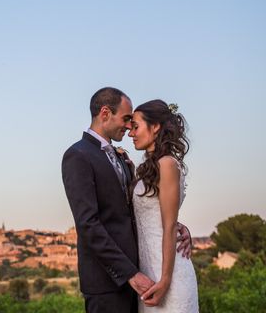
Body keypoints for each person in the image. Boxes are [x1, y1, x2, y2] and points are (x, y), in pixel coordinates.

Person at [62, 87, 191, 313]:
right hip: (108, 282)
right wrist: (130, 274)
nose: (129, 127)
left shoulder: (124, 160)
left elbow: (139, 210)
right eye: (126, 119)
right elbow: (88, 224)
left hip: (143, 276)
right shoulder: (78, 155)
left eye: (134, 123)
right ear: (104, 114)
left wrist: (176, 226)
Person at [129, 100, 199, 311]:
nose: (131, 133)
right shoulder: (148, 168)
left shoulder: (167, 164)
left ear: (156, 126)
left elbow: (168, 226)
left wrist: (165, 281)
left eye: (135, 126)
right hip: (149, 271)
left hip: (168, 276)